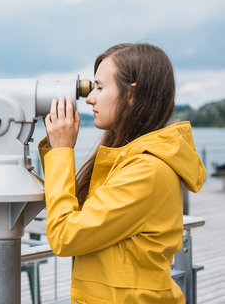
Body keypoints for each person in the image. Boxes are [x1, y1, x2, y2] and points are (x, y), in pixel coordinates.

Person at [39, 43, 207, 303]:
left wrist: (62, 152)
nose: (90, 98)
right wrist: (54, 149)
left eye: (100, 87)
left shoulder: (146, 170)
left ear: (131, 94)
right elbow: (81, 216)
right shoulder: (125, 158)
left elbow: (65, 235)